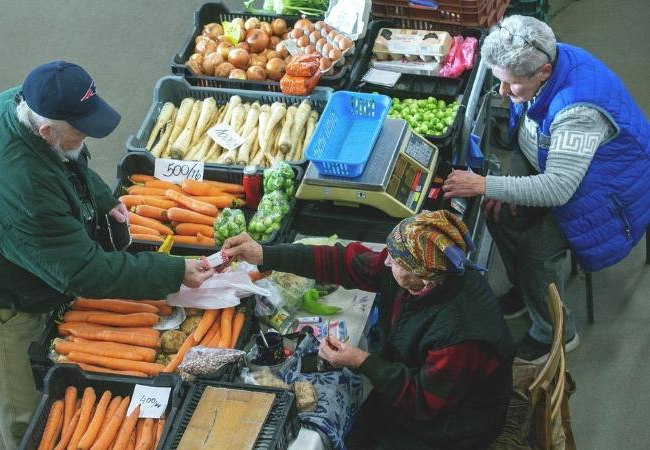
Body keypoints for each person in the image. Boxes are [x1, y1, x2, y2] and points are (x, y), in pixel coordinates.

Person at [0, 61, 214, 448]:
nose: (87, 136)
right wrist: (172, 271)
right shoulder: (23, 191)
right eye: (81, 130)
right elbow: (82, 272)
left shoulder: (26, 104)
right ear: (47, 130)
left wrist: (103, 200)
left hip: (6, 238)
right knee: (24, 402)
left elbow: (72, 161)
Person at [442, 15, 650, 363]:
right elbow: (530, 136)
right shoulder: (545, 61)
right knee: (500, 217)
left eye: (511, 85)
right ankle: (528, 293)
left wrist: (484, 184)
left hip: (609, 188)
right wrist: (500, 188)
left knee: (536, 250)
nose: (504, 94)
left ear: (544, 72)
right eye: (500, 82)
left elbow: (557, 189)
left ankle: (555, 332)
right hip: (567, 168)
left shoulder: (577, 109)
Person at [223, 210, 514, 450]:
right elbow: (343, 262)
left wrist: (362, 361)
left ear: (422, 278)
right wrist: (264, 254)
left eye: (395, 260)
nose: (386, 260)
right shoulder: (419, 274)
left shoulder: (461, 336)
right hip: (412, 387)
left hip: (451, 425)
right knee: (355, 429)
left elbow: (423, 402)